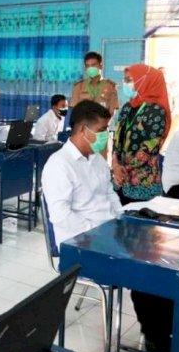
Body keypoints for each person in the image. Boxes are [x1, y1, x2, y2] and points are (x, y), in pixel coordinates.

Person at [41, 100, 122, 246]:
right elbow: (61, 216)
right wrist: (98, 231)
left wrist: (120, 219)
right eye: (101, 130)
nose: (106, 135)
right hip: (82, 242)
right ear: (83, 130)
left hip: (108, 233)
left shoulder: (97, 159)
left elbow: (109, 194)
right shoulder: (59, 165)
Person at [111, 64, 171, 203]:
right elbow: (117, 138)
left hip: (143, 184)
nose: (125, 84)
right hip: (120, 181)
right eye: (125, 80)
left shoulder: (156, 111)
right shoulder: (127, 107)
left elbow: (149, 147)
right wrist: (115, 165)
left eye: (129, 80)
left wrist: (122, 169)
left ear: (145, 81)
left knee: (140, 224)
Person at [70, 51, 119, 116]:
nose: (90, 68)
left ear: (101, 66)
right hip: (84, 124)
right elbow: (74, 110)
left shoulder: (110, 86)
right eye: (88, 66)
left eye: (93, 65)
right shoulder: (79, 86)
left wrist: (104, 124)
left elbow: (112, 110)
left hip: (103, 124)